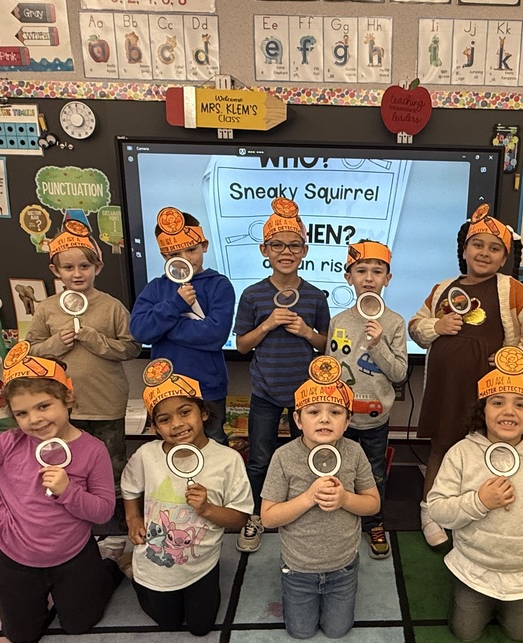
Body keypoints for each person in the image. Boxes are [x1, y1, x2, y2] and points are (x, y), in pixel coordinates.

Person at [0, 342, 121, 643]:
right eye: (22, 413)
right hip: (19, 556)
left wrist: (68, 491)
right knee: (20, 635)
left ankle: (108, 567)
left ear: (67, 397)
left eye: (44, 406)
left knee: (79, 624)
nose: (35, 419)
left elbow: (104, 512)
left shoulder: (93, 450)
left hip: (73, 554)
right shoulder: (9, 444)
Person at [409, 204, 523, 546]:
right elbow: (415, 327)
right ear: (464, 250)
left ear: (504, 258)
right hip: (446, 387)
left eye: (494, 248)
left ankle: (475, 511)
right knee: (441, 446)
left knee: (483, 450)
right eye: (477, 244)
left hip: (489, 391)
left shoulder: (510, 289)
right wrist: (436, 327)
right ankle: (430, 511)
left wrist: (513, 357)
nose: (484, 253)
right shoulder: (443, 287)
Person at [427, 346, 523, 642]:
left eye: (520, 404)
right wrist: (479, 502)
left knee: (521, 634)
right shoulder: (462, 453)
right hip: (474, 567)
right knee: (465, 633)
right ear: (483, 410)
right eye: (497, 402)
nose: (509, 411)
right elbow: (437, 509)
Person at [120, 359, 253, 635]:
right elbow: (130, 487)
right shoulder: (146, 455)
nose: (177, 424)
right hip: (155, 562)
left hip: (200, 564)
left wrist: (207, 508)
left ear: (203, 412)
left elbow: (240, 519)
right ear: (155, 428)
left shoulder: (228, 460)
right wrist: (132, 518)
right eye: (164, 419)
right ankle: (130, 569)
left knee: (200, 627)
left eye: (185, 412)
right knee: (167, 624)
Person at [233, 198, 330, 553]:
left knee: (308, 457)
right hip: (265, 392)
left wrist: (306, 332)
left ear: (304, 250)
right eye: (277, 245)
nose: (285, 252)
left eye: (293, 245)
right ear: (264, 250)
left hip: (307, 396)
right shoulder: (252, 295)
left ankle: (305, 513)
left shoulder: (315, 296)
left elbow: (327, 345)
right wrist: (268, 325)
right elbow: (242, 346)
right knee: (260, 459)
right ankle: (256, 516)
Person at [260, 356, 380, 639]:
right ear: (298, 420)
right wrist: (308, 497)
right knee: (300, 631)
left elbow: (373, 504)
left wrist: (345, 499)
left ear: (348, 421)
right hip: (298, 568)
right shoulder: (283, 456)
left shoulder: (354, 452)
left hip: (343, 567)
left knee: (338, 631)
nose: (324, 418)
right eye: (313, 412)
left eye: (335, 412)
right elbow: (268, 518)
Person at [27, 220, 140, 504]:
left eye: (85, 266)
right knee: (66, 462)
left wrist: (95, 340)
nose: (77, 274)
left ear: (97, 267)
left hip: (105, 402)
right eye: (68, 267)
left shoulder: (112, 307)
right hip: (62, 404)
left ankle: (112, 513)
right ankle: (71, 508)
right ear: (56, 270)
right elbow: (29, 351)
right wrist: (54, 345)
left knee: (112, 465)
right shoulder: (47, 308)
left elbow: (132, 348)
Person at [327, 240, 408, 559]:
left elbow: (399, 373)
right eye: (361, 271)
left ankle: (374, 521)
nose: (369, 278)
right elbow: (330, 369)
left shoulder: (395, 322)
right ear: (349, 277)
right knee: (338, 469)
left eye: (377, 271)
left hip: (375, 419)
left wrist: (377, 344)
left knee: (374, 473)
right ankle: (339, 521)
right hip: (340, 418)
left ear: (388, 278)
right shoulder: (339, 321)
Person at [130, 207, 236, 446]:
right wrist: (175, 305)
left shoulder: (219, 285)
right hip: (165, 385)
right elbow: (139, 331)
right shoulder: (156, 288)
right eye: (175, 254)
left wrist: (165, 329)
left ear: (204, 246)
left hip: (207, 387)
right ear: (164, 256)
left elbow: (215, 335)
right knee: (171, 444)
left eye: (191, 250)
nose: (186, 258)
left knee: (214, 442)